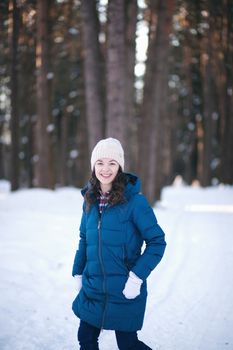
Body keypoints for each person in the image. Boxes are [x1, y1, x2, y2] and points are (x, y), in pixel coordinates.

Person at [72, 138, 166, 350]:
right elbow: (84, 239)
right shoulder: (89, 200)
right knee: (85, 339)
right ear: (93, 166)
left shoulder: (135, 202)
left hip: (124, 289)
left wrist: (136, 278)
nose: (105, 169)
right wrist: (78, 272)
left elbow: (157, 242)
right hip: (93, 287)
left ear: (120, 166)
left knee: (128, 345)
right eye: (100, 163)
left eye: (112, 163)